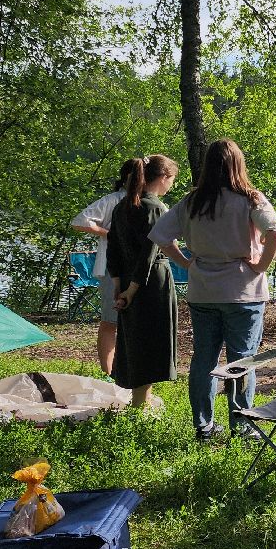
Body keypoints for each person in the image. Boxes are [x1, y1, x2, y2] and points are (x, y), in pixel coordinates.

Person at [150, 139, 276, 443]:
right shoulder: (250, 199)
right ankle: (242, 425)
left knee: (204, 360)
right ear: (238, 164)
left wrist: (185, 261)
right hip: (243, 293)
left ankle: (204, 426)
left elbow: (160, 236)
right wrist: (260, 266)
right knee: (242, 360)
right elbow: (274, 234)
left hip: (203, 292)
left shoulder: (192, 201)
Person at [107, 155, 179, 410]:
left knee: (136, 339)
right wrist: (133, 290)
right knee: (151, 339)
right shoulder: (155, 208)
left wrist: (119, 287)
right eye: (172, 180)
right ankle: (140, 405)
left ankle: (142, 400)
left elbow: (112, 249)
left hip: (126, 279)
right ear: (162, 178)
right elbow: (149, 254)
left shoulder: (121, 206)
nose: (171, 186)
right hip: (150, 284)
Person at [69, 159, 140, 376]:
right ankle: (107, 372)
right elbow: (80, 221)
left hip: (137, 268)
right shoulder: (113, 200)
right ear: (128, 177)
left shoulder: (145, 201)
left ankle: (131, 369)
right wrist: (110, 233)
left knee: (135, 321)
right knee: (111, 321)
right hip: (113, 268)